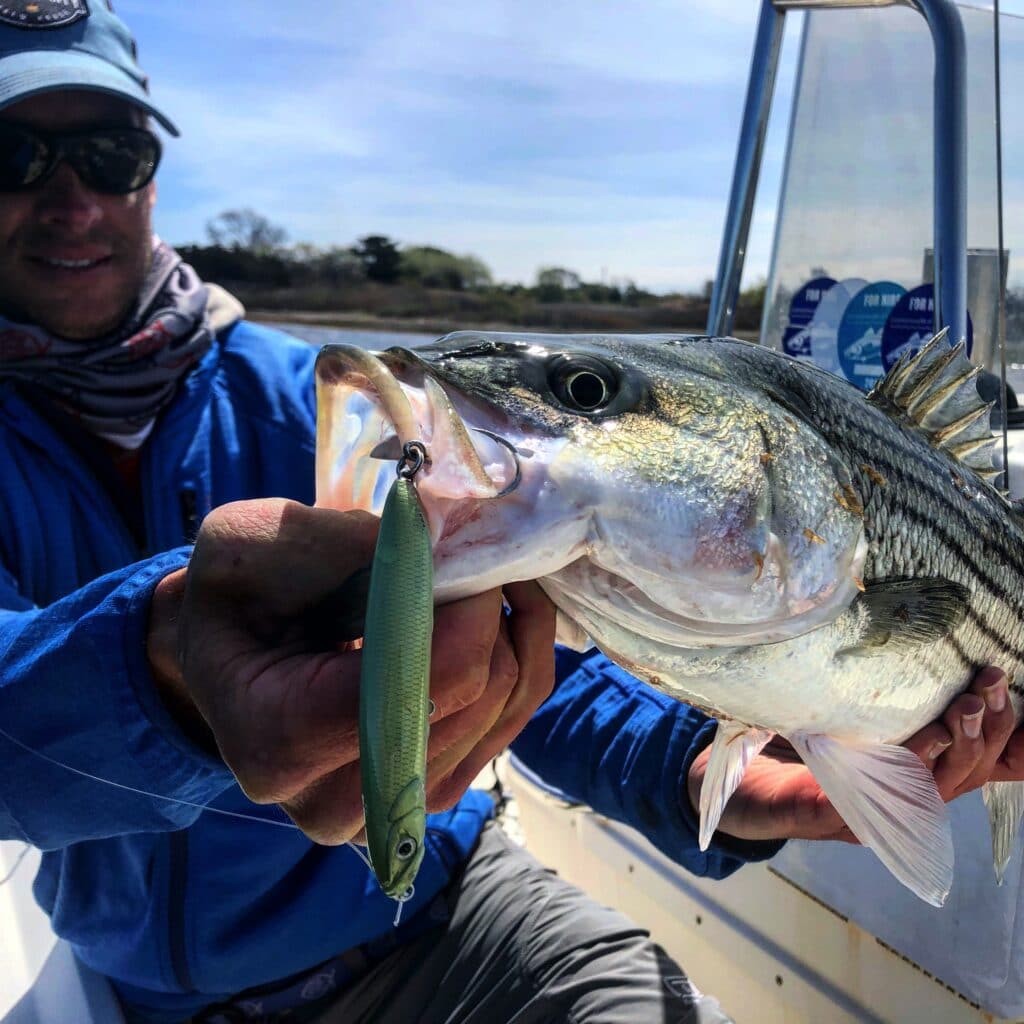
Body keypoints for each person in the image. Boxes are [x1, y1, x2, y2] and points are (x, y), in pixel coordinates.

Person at [0, 6, 1020, 1023]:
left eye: (109, 152)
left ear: (150, 171)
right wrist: (161, 668)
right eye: (16, 153)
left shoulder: (325, 397)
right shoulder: (373, 400)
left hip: (442, 918)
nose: (71, 201)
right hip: (138, 994)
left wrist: (707, 770)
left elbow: (526, 660)